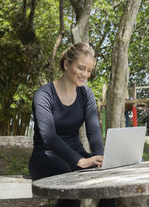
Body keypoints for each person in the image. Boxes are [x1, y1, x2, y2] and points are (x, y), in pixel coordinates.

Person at [29, 43, 106, 206]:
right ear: (66, 64)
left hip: (75, 154)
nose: (85, 74)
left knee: (110, 181)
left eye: (89, 70)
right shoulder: (44, 95)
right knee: (69, 182)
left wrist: (102, 160)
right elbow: (49, 137)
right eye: (81, 68)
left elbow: (93, 132)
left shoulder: (86, 94)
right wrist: (80, 161)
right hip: (46, 156)